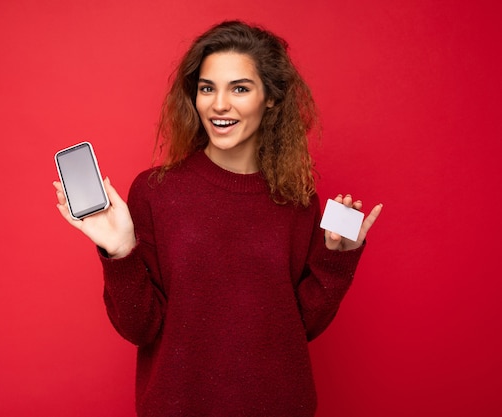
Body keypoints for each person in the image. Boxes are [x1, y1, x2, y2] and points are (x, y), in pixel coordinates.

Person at [53, 20, 382, 417]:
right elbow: (140, 329)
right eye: (207, 88)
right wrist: (121, 253)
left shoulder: (298, 200)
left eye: (239, 88)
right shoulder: (157, 191)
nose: (218, 104)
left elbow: (298, 330)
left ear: (272, 98)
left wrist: (336, 257)